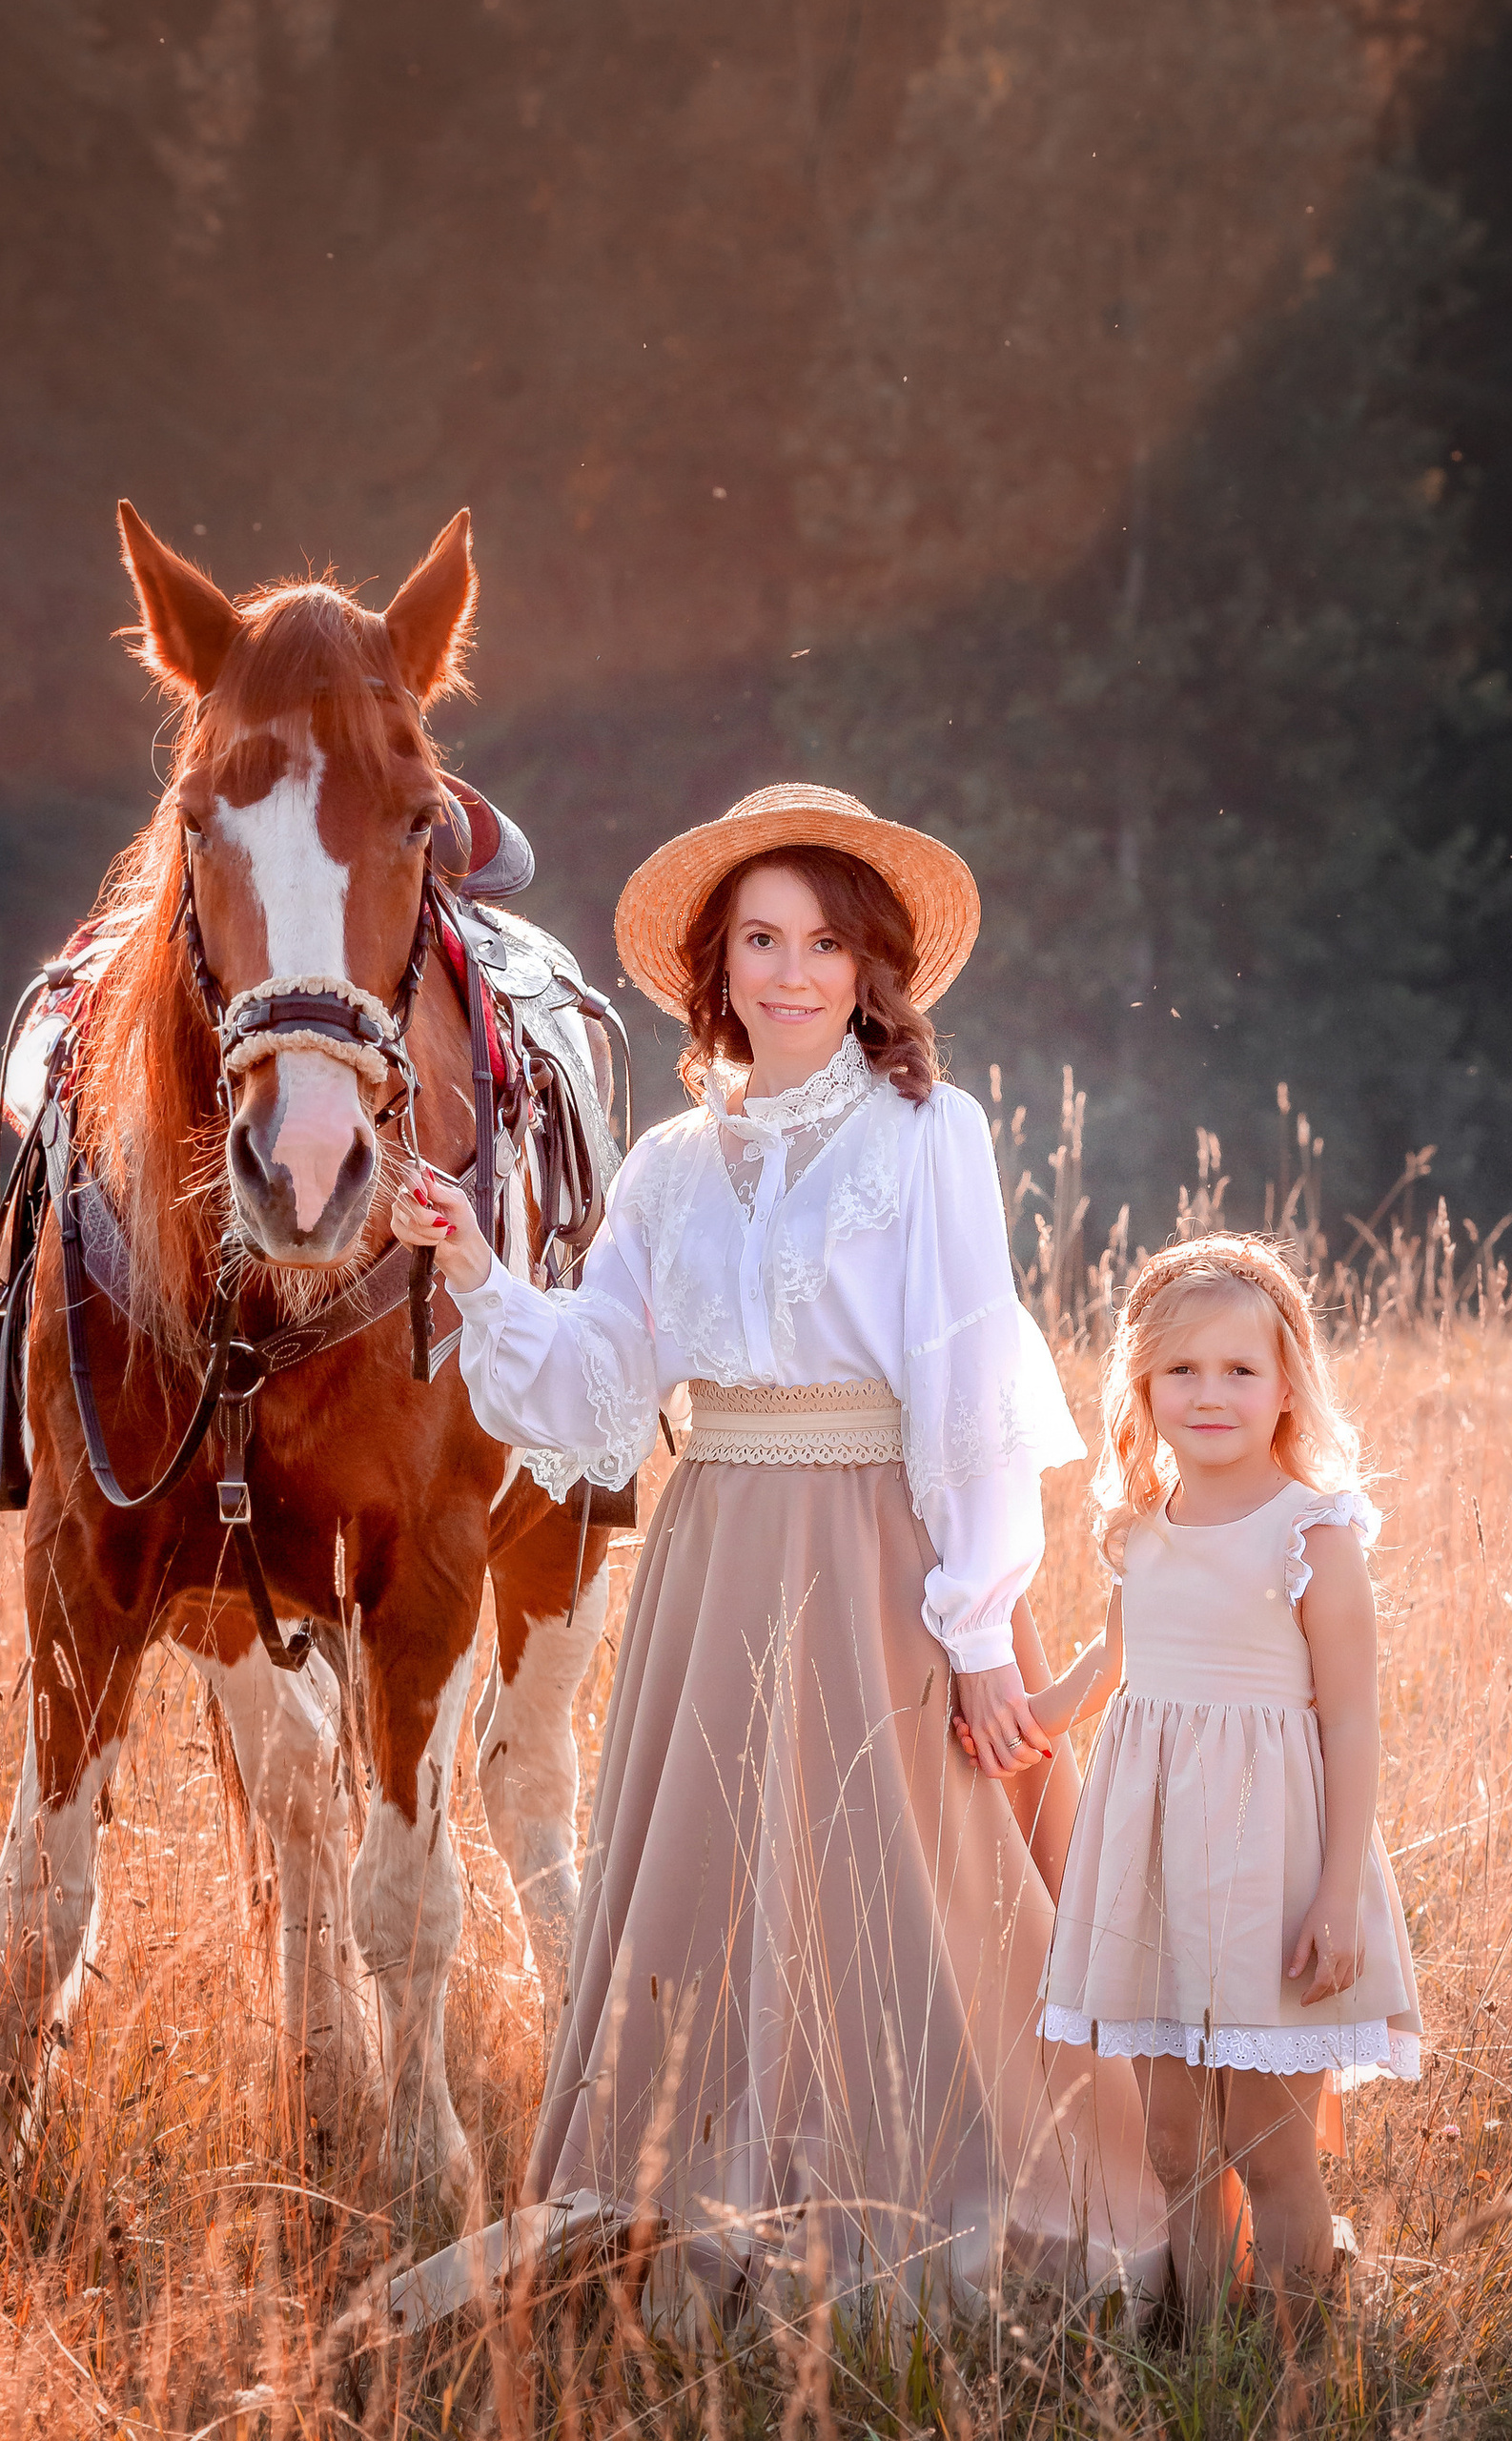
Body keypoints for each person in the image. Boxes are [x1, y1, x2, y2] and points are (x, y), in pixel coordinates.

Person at [392, 782, 1160, 2315]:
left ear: (872, 967)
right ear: (717, 964)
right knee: (714, 1866)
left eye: (821, 941)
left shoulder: (931, 1134)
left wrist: (978, 1618)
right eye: (760, 938)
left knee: (900, 1877)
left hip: (880, 1549)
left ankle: (921, 2200)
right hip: (717, 1539)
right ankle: (703, 2204)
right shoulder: (675, 1159)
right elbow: (607, 1374)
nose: (792, 970)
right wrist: (479, 1267)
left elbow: (960, 1383)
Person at [1013, 1234, 1421, 2325]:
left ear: (1286, 1385)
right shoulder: (1139, 1530)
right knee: (1172, 2140)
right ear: (1139, 1388)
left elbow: (1351, 1719)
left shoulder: (1312, 1533)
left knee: (1270, 2144)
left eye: (1239, 1370)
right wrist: (1030, 1719)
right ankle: (1198, 2350)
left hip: (1272, 1861)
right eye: (1180, 1371)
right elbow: (1117, 1659)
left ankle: (1291, 2360)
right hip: (1151, 1861)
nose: (1209, 1394)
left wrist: (1336, 1896)